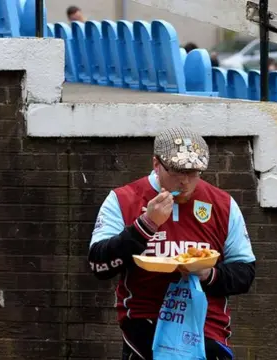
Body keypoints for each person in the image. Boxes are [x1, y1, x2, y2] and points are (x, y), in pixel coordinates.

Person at [88, 127, 256, 360]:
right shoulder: (123, 199)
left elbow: (245, 272)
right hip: (145, 323)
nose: (185, 182)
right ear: (156, 164)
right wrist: (145, 226)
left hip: (205, 327)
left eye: (194, 172)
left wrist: (208, 273)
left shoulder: (223, 204)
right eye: (177, 171)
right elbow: (98, 264)